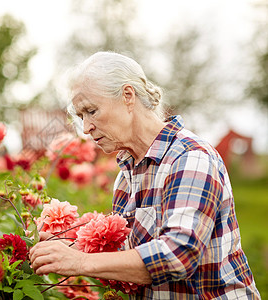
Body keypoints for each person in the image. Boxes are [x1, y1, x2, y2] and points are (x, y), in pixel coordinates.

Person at [29, 51, 260, 299]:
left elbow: (178, 255)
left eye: (91, 111)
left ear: (128, 96)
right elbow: (131, 253)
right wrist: (69, 245)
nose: (86, 128)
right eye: (81, 116)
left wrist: (80, 261)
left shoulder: (190, 157)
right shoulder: (127, 174)